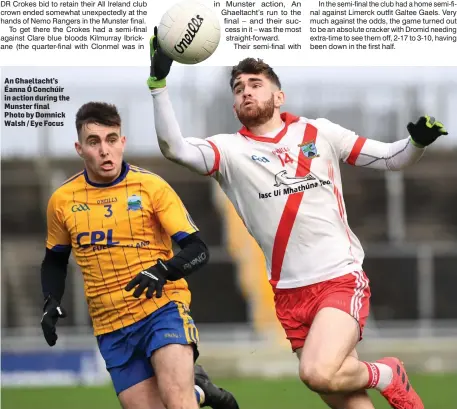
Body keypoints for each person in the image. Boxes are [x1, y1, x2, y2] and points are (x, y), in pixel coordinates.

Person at [147, 31, 448, 409]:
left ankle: (387, 373)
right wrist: (158, 84)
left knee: (316, 373)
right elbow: (174, 148)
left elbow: (391, 158)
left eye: (256, 84)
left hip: (338, 277)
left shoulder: (319, 132)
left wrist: (416, 142)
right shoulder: (228, 150)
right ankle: (380, 379)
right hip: (288, 293)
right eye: (238, 88)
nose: (245, 92)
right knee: (344, 395)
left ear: (279, 96)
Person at [40, 101, 239, 409]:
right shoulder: (62, 200)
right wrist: (51, 300)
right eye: (94, 142)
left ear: (123, 142)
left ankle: (190, 395)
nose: (104, 150)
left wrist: (162, 271)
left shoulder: (151, 187)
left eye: (111, 139)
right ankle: (200, 392)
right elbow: (54, 259)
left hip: (162, 309)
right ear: (80, 148)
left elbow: (198, 250)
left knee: (177, 401)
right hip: (110, 326)